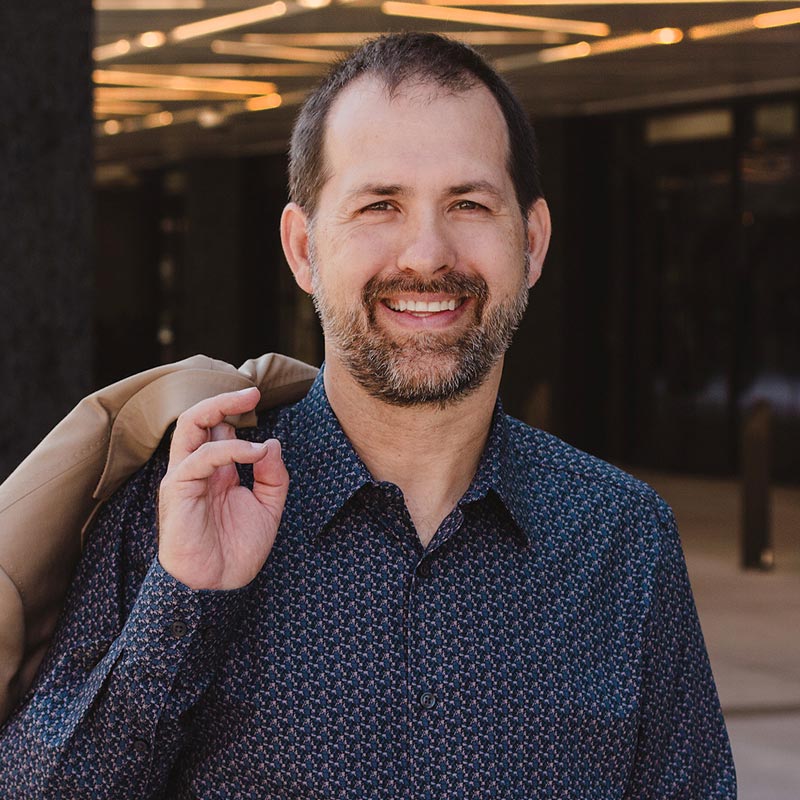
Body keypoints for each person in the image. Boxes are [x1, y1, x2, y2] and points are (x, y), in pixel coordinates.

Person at [0, 32, 735, 798]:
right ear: (303, 247)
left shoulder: (621, 536)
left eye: (469, 203)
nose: (425, 253)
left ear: (534, 241)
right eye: (380, 204)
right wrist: (181, 604)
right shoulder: (177, 509)